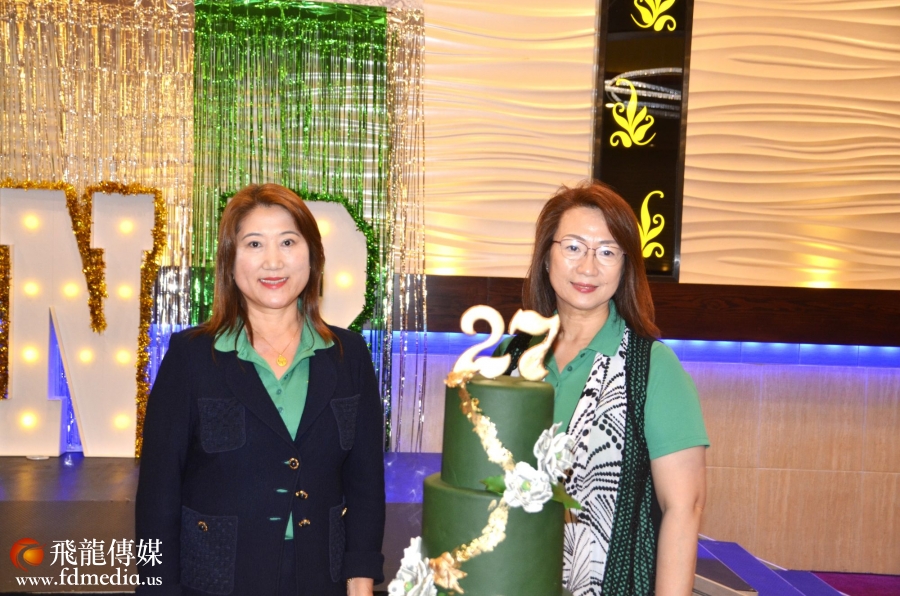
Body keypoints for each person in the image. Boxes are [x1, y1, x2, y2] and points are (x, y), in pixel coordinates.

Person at [136, 183, 385, 596]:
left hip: (320, 578)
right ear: (230, 261)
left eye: (288, 242)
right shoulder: (191, 356)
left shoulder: (349, 354)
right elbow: (157, 496)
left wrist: (361, 580)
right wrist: (156, 589)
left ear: (313, 256)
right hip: (217, 581)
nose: (273, 261)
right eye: (254, 244)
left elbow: (365, 483)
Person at [498, 181, 708, 596]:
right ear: (546, 256)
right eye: (573, 247)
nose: (588, 267)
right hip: (509, 579)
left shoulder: (652, 368)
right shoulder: (509, 357)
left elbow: (684, 508)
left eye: (608, 252)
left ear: (626, 266)